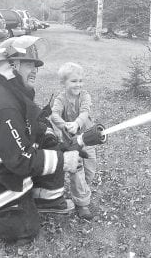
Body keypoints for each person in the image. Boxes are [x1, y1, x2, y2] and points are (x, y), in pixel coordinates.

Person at [0, 36, 81, 244]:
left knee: (52, 151)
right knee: (25, 229)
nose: (35, 71)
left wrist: (63, 146)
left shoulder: (13, 93)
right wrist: (63, 160)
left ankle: (37, 200)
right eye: (29, 64)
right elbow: (22, 160)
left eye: (36, 66)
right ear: (10, 66)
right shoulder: (3, 106)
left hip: (4, 169)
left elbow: (36, 126)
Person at [51, 62, 97, 220]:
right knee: (77, 171)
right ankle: (82, 204)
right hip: (71, 143)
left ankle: (82, 188)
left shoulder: (85, 96)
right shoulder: (60, 99)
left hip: (88, 139)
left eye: (80, 80)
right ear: (63, 83)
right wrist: (65, 125)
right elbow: (54, 115)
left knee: (90, 170)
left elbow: (85, 113)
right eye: (73, 81)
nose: (78, 84)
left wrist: (77, 123)